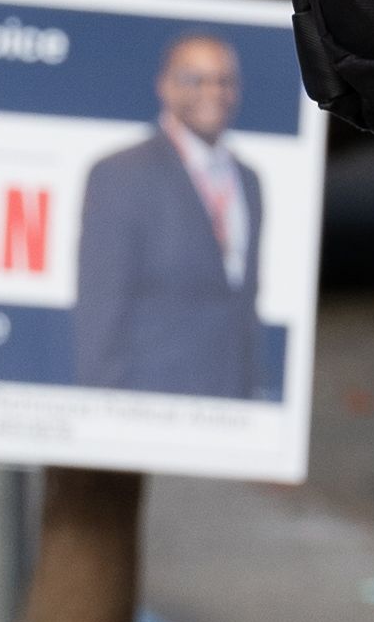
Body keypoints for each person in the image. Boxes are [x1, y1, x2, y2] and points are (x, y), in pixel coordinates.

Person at [72, 29, 266, 401]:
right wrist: (102, 406)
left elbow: (242, 306)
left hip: (229, 405)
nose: (212, 92)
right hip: (148, 402)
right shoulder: (122, 173)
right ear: (165, 86)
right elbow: (102, 304)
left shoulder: (248, 180)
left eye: (224, 81)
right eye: (195, 79)